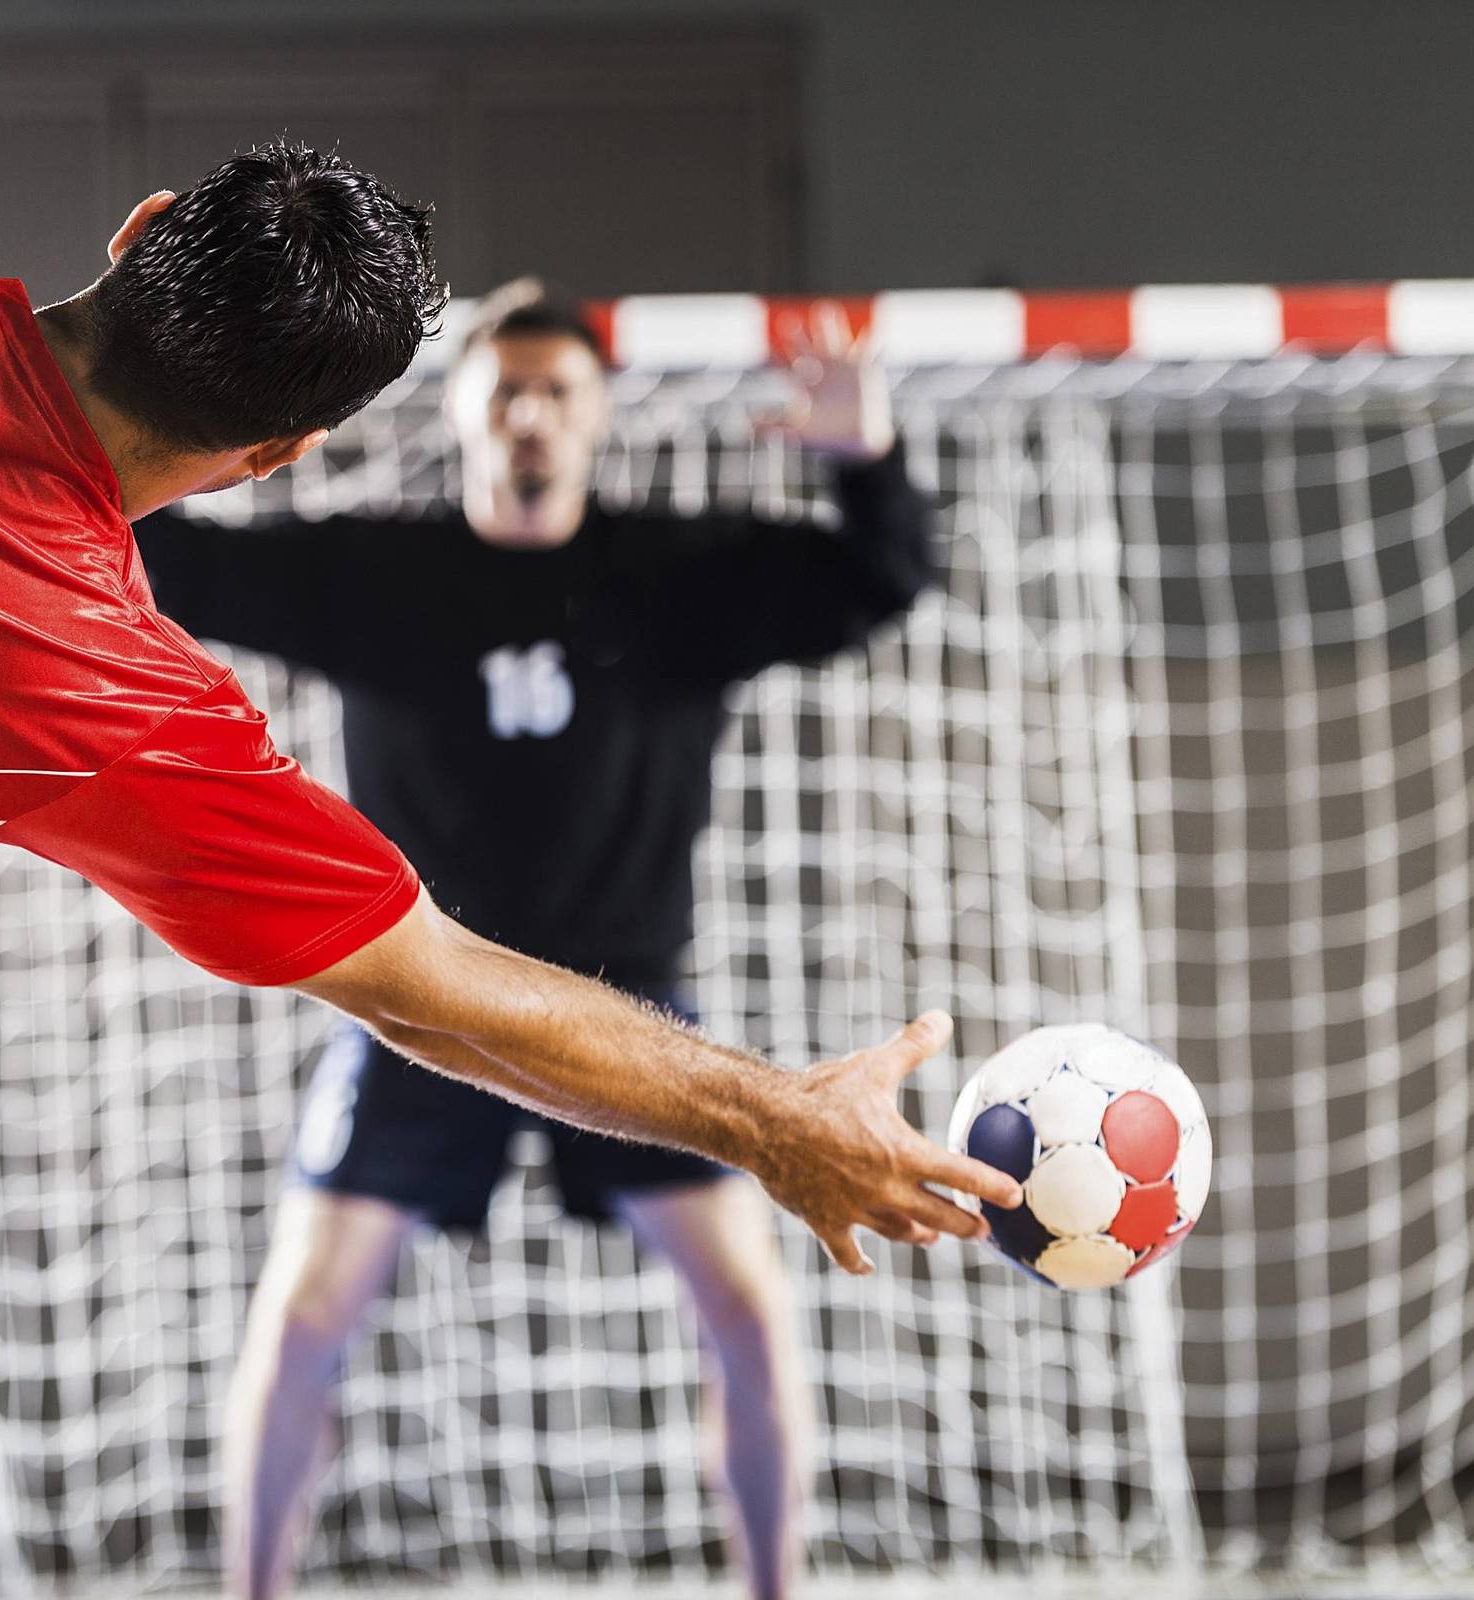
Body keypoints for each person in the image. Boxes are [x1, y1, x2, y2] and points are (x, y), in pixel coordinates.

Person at [0, 98, 1019, 1600]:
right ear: (282, 454)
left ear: (135, 229)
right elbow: (429, 987)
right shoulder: (87, 681)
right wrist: (777, 1120)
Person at [137, 281, 939, 1600]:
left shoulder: (677, 581)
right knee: (298, 1322)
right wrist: (143, 418)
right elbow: (177, 563)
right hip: (420, 1005)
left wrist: (867, 460)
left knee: (747, 1312)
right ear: (459, 407)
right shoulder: (377, 575)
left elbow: (878, 580)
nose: (527, 416)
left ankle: (775, 1589)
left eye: (555, 393)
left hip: (631, 1019)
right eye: (502, 389)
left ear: (594, 417)